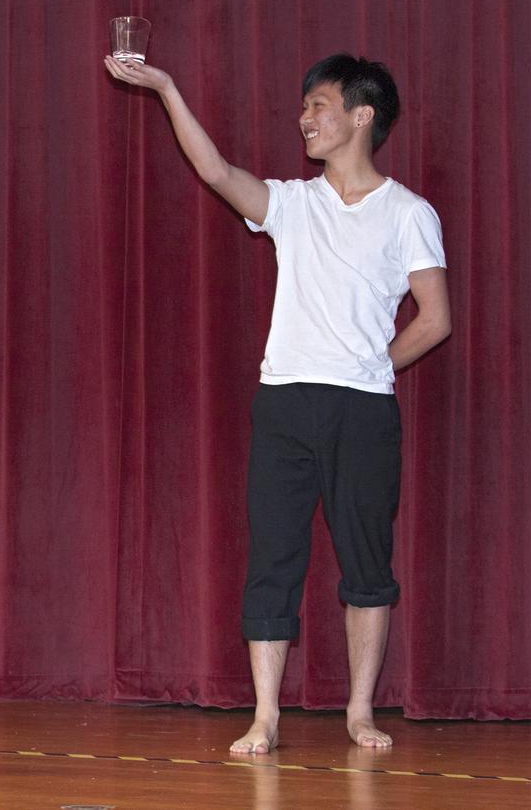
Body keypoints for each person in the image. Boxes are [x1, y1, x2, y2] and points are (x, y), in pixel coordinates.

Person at [105, 52, 451, 752]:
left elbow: (435, 319)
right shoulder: (292, 204)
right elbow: (215, 172)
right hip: (284, 402)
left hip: (363, 409)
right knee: (273, 557)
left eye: (319, 105)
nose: (305, 118)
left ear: (362, 115)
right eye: (304, 107)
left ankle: (359, 712)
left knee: (366, 560)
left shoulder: (408, 212)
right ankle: (264, 715)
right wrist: (168, 87)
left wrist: (370, 368)